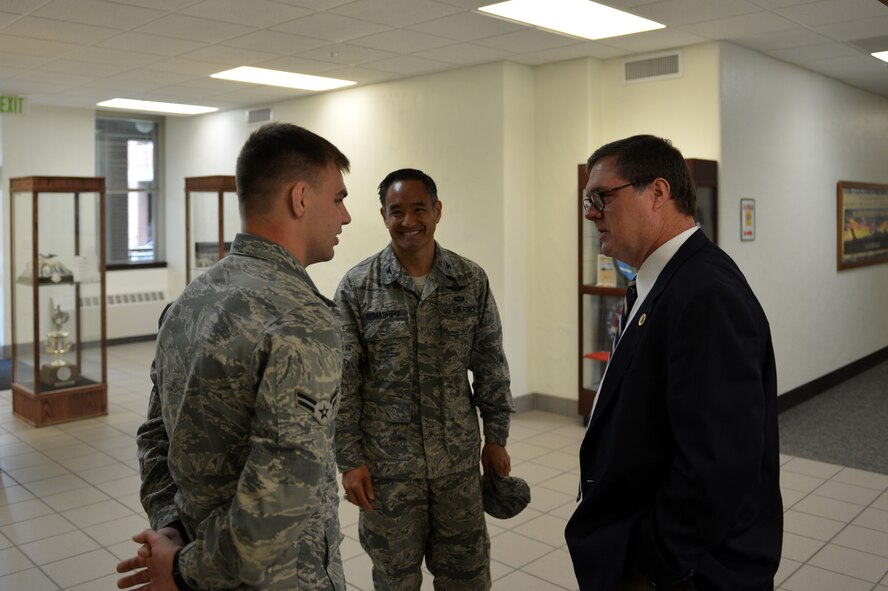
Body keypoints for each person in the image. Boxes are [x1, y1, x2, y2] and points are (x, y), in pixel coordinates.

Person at [116, 122, 352, 591]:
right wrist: (183, 569)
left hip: (197, 556)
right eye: (339, 198)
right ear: (300, 198)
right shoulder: (302, 320)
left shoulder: (190, 301)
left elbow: (155, 436)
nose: (345, 216)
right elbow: (280, 498)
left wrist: (172, 531)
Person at [565, 135, 782, 590]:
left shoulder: (706, 295)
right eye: (587, 200)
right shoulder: (660, 284)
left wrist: (650, 564)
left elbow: (717, 465)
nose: (590, 214)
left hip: (691, 571)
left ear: (658, 193)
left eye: (601, 197)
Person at [334, 168, 514, 590]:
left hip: (457, 469)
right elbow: (344, 383)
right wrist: (350, 460)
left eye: (419, 209)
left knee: (466, 578)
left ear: (437, 211)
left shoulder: (469, 281)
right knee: (395, 580)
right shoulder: (358, 287)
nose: (408, 221)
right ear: (383, 215)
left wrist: (497, 437)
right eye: (397, 211)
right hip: (388, 474)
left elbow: (490, 365)